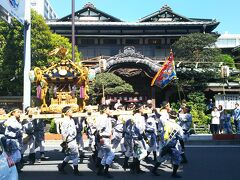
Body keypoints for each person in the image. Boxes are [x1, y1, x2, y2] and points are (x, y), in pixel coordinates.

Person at [152, 102, 183, 178]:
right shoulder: (177, 126)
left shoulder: (165, 122)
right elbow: (181, 138)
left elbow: (161, 124)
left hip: (165, 143)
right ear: (176, 117)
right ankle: (174, 173)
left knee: (161, 157)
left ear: (169, 116)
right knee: (177, 158)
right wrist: (183, 146)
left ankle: (154, 169)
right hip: (172, 145)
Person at [58, 106, 81, 176]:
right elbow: (63, 133)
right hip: (70, 140)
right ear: (67, 112)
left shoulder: (71, 120)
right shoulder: (65, 121)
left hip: (73, 139)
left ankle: (62, 167)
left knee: (70, 155)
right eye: (70, 111)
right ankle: (76, 170)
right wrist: (65, 143)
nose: (72, 112)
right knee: (76, 155)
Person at [95, 105, 115, 178]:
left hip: (104, 138)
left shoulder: (102, 117)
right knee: (111, 154)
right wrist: (100, 138)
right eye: (108, 109)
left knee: (106, 155)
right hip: (104, 138)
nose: (109, 110)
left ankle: (100, 170)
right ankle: (106, 171)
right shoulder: (104, 118)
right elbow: (100, 128)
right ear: (104, 110)